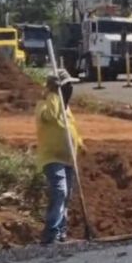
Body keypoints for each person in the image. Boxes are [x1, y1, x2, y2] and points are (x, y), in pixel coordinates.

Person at [35, 69, 84, 245]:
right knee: (60, 191)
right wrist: (54, 94)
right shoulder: (44, 105)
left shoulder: (66, 108)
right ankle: (51, 232)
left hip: (68, 158)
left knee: (66, 195)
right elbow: (50, 117)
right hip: (52, 157)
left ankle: (61, 231)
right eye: (65, 87)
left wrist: (80, 143)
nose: (69, 89)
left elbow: (71, 128)